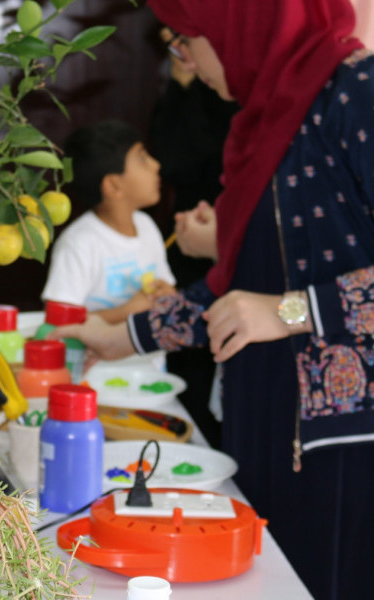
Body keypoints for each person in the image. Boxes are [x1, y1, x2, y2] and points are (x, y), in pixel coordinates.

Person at [51, 2, 374, 598]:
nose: (190, 64)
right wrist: (123, 337)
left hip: (342, 449)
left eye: (187, 42)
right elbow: (235, 289)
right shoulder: (269, 118)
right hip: (265, 420)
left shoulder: (356, 94)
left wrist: (289, 312)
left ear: (243, 25)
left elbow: (268, 304)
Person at [148, 28, 240, 448]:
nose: (182, 56)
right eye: (172, 46)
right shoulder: (187, 87)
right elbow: (174, 161)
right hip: (195, 241)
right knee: (193, 368)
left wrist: (223, 238)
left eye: (186, 41)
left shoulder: (247, 95)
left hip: (232, 245)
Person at [41, 119, 176, 324]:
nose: (156, 165)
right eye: (142, 158)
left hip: (151, 357)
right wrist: (128, 311)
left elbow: (166, 286)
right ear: (113, 186)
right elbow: (58, 322)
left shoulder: (147, 225)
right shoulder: (79, 243)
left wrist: (167, 294)